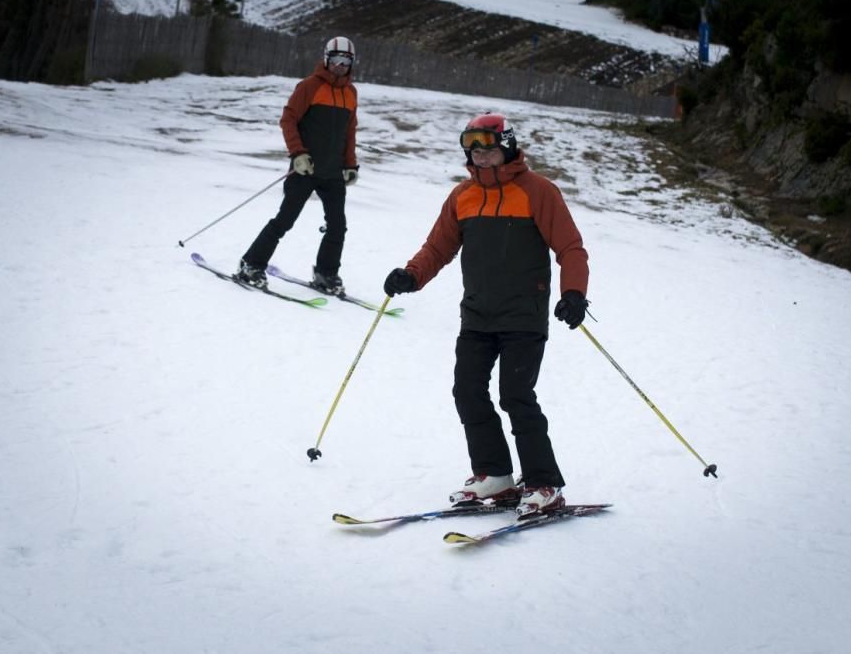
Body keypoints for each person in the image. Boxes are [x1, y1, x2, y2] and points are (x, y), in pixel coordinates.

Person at [383, 113, 590, 518]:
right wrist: (411, 275)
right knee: (468, 391)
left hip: (523, 316)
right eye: (474, 152)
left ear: (507, 147)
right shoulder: (463, 196)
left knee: (516, 396)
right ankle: (495, 475)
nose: (481, 158)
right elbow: (437, 248)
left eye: (490, 150)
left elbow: (571, 248)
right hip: (477, 314)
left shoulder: (538, 191)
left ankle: (544, 483)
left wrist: (573, 294)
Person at [237, 36, 360, 295]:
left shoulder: (351, 93)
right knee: (285, 220)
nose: (340, 65)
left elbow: (350, 131)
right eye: (336, 59)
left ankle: (326, 273)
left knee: (338, 226)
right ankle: (251, 264)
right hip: (306, 169)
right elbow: (288, 119)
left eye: (346, 60)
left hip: (333, 173)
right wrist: (298, 153)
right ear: (326, 59)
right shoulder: (309, 86)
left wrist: (350, 164)